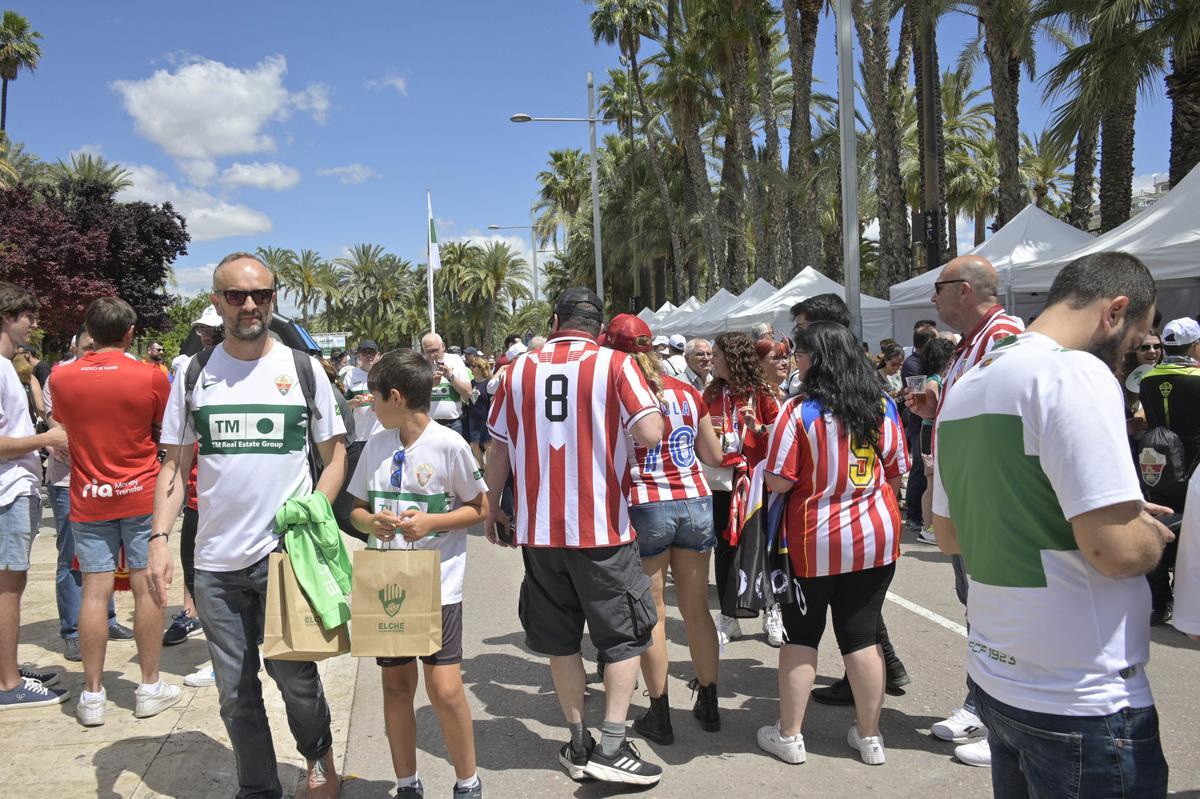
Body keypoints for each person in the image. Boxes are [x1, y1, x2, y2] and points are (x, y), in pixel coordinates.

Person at [932, 251, 1171, 797]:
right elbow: (1117, 553)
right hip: (1082, 698)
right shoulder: (1074, 372)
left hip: (1000, 684)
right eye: (1137, 340)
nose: (1132, 357)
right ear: (1114, 312)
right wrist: (1143, 530)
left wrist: (1094, 513)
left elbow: (948, 534)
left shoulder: (968, 383)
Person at [150, 252, 346, 799]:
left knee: (296, 679)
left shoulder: (302, 369)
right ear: (216, 302)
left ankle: (318, 761)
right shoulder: (192, 374)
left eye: (261, 294)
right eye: (236, 295)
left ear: (273, 299)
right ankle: (258, 787)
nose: (250, 304)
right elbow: (174, 464)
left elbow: (334, 456)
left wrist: (313, 511)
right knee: (236, 692)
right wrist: (158, 538)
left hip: (284, 557)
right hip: (214, 564)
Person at [484, 287, 665, 786]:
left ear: (555, 319)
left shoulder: (518, 370)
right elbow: (649, 433)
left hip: (541, 533)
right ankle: (611, 745)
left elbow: (498, 450)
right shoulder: (615, 365)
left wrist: (494, 506)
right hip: (601, 529)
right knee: (622, 638)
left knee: (560, 641)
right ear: (598, 327)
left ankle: (578, 741)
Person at [758, 321, 910, 766]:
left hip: (814, 540)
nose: (796, 360)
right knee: (861, 635)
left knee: (801, 636)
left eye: (801, 353)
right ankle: (870, 737)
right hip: (876, 536)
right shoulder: (881, 404)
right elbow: (897, 470)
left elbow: (779, 480)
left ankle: (790, 735)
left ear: (818, 359)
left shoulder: (799, 410)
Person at [348, 350, 487, 799]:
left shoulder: (450, 445)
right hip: (387, 582)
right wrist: (372, 523)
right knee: (395, 687)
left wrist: (431, 523)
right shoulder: (375, 444)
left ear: (395, 396)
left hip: (437, 585)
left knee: (445, 690)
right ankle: (407, 784)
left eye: (373, 396)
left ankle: (467, 783)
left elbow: (480, 508)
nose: (369, 404)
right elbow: (355, 511)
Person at [906, 254, 1023, 767]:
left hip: (989, 505)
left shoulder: (1004, 340)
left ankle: (1007, 725)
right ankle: (985, 707)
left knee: (1001, 617)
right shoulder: (967, 348)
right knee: (981, 613)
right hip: (964, 501)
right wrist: (937, 408)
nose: (933, 298)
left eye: (939, 287)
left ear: (966, 290)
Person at [52, 297, 180, 726]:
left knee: (94, 592)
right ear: (129, 332)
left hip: (89, 494)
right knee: (148, 587)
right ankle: (148, 685)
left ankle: (91, 695)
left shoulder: (62, 377)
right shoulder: (149, 375)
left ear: (89, 330)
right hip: (141, 492)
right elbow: (165, 431)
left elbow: (66, 427)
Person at [602, 314, 724, 746]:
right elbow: (712, 455)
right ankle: (709, 701)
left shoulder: (616, 392)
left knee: (652, 615)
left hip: (646, 503)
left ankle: (660, 712)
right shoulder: (689, 391)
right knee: (695, 609)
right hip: (694, 500)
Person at [0, 282, 71, 710]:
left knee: (13, 584)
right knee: (8, 587)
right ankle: (8, 684)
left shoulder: (11, 366)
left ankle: (6, 666)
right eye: (28, 316)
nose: (34, 324)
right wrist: (46, 437)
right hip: (7, 492)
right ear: (8, 316)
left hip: (17, 488)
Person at [44, 329, 129, 662]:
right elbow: (62, 431)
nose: (93, 353)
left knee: (104, 557)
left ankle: (106, 620)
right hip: (69, 482)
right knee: (71, 557)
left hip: (105, 482)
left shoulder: (109, 377)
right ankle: (73, 630)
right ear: (73, 347)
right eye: (86, 348)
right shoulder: (60, 379)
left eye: (97, 347)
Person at [703, 331, 780, 647]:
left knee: (765, 549)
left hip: (757, 482)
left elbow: (782, 439)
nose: (712, 359)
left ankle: (772, 612)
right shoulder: (710, 394)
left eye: (717, 354)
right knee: (724, 550)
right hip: (722, 483)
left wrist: (757, 429)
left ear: (732, 358)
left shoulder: (762, 393)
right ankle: (728, 617)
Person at [1136, 317, 1200, 625]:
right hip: (1194, 465)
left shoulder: (1146, 379)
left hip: (1156, 462)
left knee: (1159, 525)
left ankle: (1159, 602)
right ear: (1196, 345)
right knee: (1193, 533)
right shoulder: (1197, 377)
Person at [912, 337, 955, 546]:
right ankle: (928, 527)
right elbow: (933, 409)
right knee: (932, 482)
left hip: (930, 431)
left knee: (934, 481)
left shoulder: (934, 378)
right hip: (930, 432)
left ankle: (929, 526)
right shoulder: (933, 381)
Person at [901, 323, 938, 533]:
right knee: (919, 469)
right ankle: (914, 514)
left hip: (925, 424)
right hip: (919, 424)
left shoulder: (922, 362)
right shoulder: (913, 364)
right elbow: (920, 395)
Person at [421, 333, 473, 437]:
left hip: (453, 423)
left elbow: (467, 394)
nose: (432, 355)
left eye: (435, 350)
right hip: (427, 424)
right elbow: (411, 396)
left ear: (443, 346)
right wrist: (430, 384)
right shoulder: (419, 363)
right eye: (428, 352)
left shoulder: (455, 360)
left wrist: (450, 376)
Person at [170, 305, 222, 380]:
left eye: (212, 329)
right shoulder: (188, 368)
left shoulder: (241, 365)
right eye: (201, 328)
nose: (206, 337)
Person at [344, 340, 381, 445]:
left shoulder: (385, 374)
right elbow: (341, 406)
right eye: (365, 353)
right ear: (359, 355)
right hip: (358, 438)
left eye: (372, 352)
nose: (369, 356)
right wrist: (351, 403)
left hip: (380, 435)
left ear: (378, 355)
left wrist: (378, 403)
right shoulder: (350, 375)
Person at [463, 354, 492, 468]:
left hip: (485, 419)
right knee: (474, 445)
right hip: (473, 419)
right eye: (471, 366)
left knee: (487, 445)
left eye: (474, 366)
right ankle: (481, 469)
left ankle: (490, 470)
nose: (472, 368)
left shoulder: (489, 384)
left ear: (481, 368)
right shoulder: (471, 383)